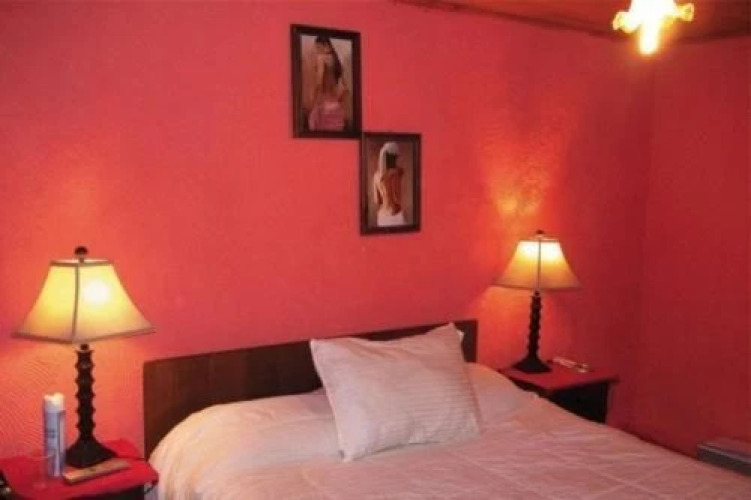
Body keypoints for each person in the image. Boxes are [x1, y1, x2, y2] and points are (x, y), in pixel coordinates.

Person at [307, 36, 348, 131]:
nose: (317, 50)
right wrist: (339, 101)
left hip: (324, 105)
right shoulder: (337, 61)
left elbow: (319, 82)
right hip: (336, 106)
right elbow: (345, 88)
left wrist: (313, 100)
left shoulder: (321, 58)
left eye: (318, 47)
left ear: (325, 45)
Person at [372, 142, 406, 227]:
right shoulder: (395, 174)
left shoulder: (376, 176)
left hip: (382, 216)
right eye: (396, 158)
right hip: (395, 216)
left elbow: (377, 200)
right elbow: (397, 198)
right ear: (393, 158)